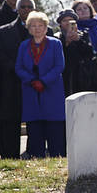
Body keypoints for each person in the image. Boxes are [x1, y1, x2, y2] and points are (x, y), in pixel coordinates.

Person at [16, 11, 66, 157]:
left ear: (46, 27)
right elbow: (18, 67)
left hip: (52, 92)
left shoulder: (55, 44)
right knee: (35, 134)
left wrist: (44, 81)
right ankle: (36, 161)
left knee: (55, 135)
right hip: (31, 92)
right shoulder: (24, 45)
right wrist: (32, 80)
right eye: (33, 26)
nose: (37, 28)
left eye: (40, 25)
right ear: (29, 28)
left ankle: (57, 161)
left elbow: (59, 66)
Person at [0, 0, 36, 158]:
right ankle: (10, 157)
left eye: (29, 7)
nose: (26, 10)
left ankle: (33, 155)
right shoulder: (4, 31)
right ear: (17, 10)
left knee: (35, 123)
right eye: (23, 7)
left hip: (35, 83)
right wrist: (18, 69)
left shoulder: (43, 28)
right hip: (11, 84)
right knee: (10, 123)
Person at [55, 10, 97, 96]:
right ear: (60, 24)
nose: (67, 23)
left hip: (82, 77)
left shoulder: (84, 35)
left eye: (70, 20)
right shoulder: (56, 38)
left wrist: (79, 40)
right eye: (64, 21)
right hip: (63, 77)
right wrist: (66, 42)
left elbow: (90, 54)